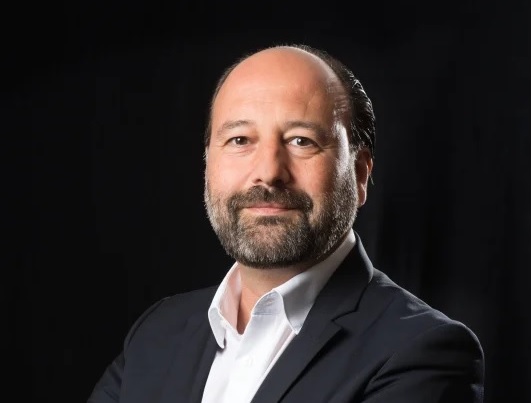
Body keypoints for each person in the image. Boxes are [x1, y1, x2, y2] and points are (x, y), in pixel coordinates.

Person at [87, 43, 485, 403]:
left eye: (301, 141)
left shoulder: (421, 353)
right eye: (240, 140)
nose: (268, 172)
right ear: (208, 165)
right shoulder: (157, 332)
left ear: (361, 174)